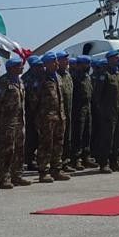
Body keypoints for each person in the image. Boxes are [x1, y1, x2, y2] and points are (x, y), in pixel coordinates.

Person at [29, 52, 69, 182]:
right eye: (54, 61)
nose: (57, 63)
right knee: (45, 145)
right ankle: (43, 172)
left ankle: (56, 169)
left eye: (57, 61)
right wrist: (40, 117)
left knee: (58, 144)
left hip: (59, 116)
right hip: (46, 118)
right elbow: (33, 101)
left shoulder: (58, 77)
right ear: (46, 64)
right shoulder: (41, 79)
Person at [0, 57, 32, 188]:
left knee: (19, 149)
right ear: (11, 68)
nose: (22, 68)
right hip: (7, 121)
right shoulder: (3, 81)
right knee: (7, 149)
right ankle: (5, 177)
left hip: (20, 120)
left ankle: (17, 175)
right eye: (19, 66)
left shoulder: (20, 81)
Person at [93, 50, 119, 172]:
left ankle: (114, 162)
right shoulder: (104, 74)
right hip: (107, 112)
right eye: (116, 58)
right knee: (107, 139)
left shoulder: (118, 74)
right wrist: (102, 111)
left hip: (117, 110)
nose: (118, 60)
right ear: (110, 59)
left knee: (117, 138)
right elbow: (97, 95)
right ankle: (103, 163)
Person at [70, 55, 94, 170]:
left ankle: (86, 157)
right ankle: (76, 159)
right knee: (77, 136)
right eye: (86, 64)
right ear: (79, 65)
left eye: (88, 64)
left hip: (87, 107)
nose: (88, 66)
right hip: (78, 109)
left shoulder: (87, 77)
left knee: (87, 134)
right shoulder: (74, 78)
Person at [56, 51, 74, 173]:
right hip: (57, 113)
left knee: (67, 137)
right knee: (58, 139)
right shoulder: (54, 76)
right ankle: (56, 164)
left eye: (67, 59)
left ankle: (65, 162)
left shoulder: (68, 75)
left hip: (68, 111)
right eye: (64, 59)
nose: (67, 62)